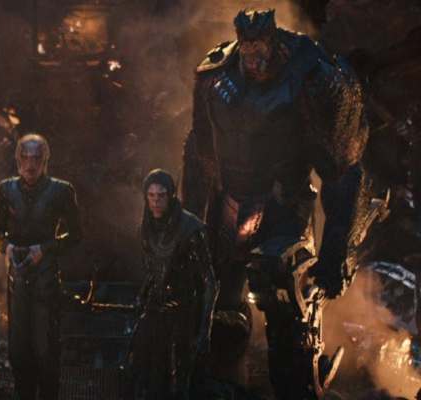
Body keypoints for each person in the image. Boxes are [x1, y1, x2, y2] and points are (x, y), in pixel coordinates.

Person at [182, 8, 371, 399]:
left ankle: (296, 384)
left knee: (282, 303)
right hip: (229, 201)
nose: (253, 58)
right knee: (216, 302)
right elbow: (200, 154)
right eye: (247, 47)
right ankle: (227, 380)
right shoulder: (216, 76)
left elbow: (342, 171)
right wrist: (190, 221)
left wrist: (336, 250)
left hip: (284, 204)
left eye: (260, 47)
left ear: (272, 42)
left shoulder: (314, 77)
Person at [0, 133, 82, 399]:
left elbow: (76, 234)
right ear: (18, 160)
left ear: (45, 160)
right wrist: (7, 247)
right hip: (18, 277)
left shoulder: (61, 191)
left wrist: (44, 249)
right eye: (25, 157)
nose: (30, 164)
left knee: (46, 350)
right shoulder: (6, 189)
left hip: (46, 278)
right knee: (19, 350)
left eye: (36, 158)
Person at [128, 169, 217, 400]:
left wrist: (205, 329)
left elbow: (209, 282)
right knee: (142, 370)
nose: (156, 202)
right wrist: (142, 298)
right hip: (155, 308)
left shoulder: (191, 229)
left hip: (183, 312)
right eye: (151, 196)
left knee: (178, 379)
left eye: (161, 195)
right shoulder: (147, 226)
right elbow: (153, 271)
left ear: (171, 196)